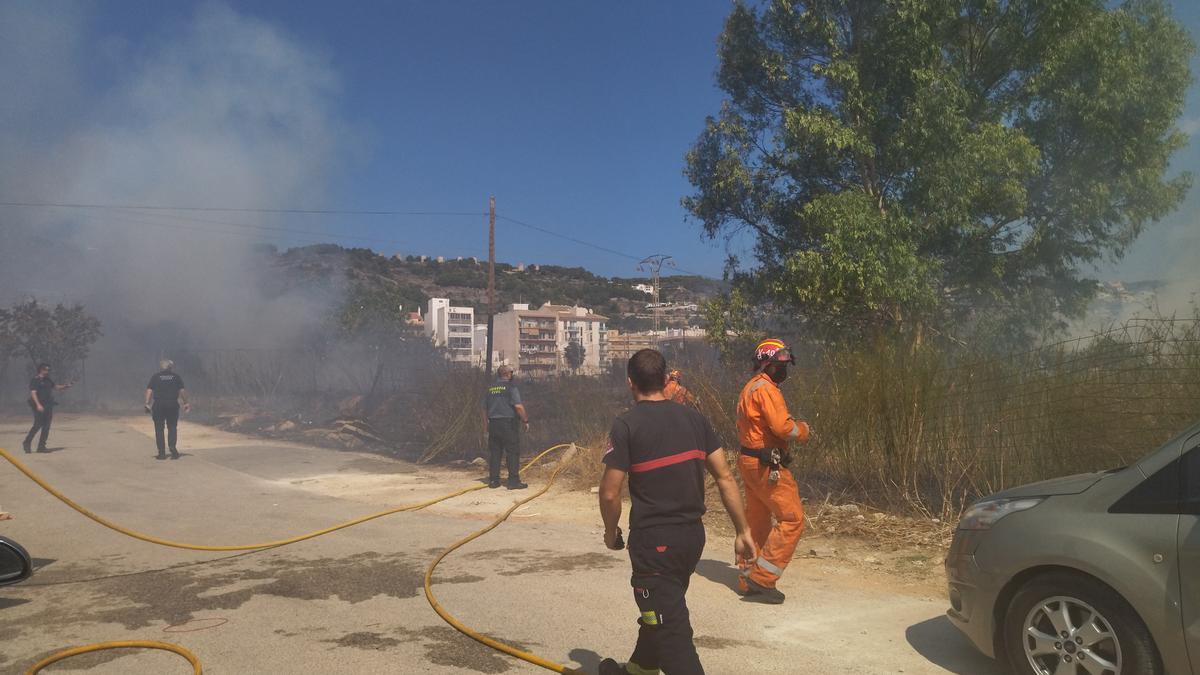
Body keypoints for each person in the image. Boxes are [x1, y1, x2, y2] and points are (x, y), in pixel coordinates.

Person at [598, 349, 755, 675]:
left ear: (630, 383)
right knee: (659, 609)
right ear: (666, 378)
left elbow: (610, 492)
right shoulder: (695, 419)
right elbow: (725, 477)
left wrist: (610, 532)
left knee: (672, 631)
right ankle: (639, 669)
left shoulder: (626, 425)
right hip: (691, 539)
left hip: (654, 544)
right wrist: (744, 531)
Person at [735, 338, 812, 604]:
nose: (784, 369)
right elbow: (782, 428)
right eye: (781, 364)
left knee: (757, 521)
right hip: (766, 465)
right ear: (767, 364)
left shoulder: (749, 387)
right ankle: (763, 580)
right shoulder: (767, 390)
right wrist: (802, 430)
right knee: (792, 519)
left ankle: (747, 577)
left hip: (749, 462)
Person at [483, 365, 529, 489]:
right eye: (512, 372)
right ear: (508, 374)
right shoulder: (511, 388)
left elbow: (485, 410)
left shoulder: (490, 389)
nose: (512, 374)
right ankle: (513, 482)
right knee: (512, 452)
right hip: (508, 424)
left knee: (495, 453)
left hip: (493, 424)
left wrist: (486, 426)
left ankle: (493, 481)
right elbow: (518, 407)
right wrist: (525, 420)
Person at [144, 360, 190, 460]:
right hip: (172, 404)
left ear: (161, 368)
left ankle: (161, 453)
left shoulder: (155, 377)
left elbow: (149, 390)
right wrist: (186, 402)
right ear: (170, 367)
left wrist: (147, 403)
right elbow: (182, 391)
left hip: (159, 405)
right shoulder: (176, 377)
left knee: (159, 429)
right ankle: (173, 448)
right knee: (172, 427)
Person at [22, 363, 71, 453]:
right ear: (41, 370)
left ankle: (41, 446)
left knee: (46, 426)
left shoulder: (48, 380)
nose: (48, 371)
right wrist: (38, 405)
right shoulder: (35, 380)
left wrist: (65, 386)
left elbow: (55, 387)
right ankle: (27, 442)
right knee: (37, 425)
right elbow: (33, 393)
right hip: (38, 405)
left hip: (48, 405)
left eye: (49, 369)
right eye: (46, 369)